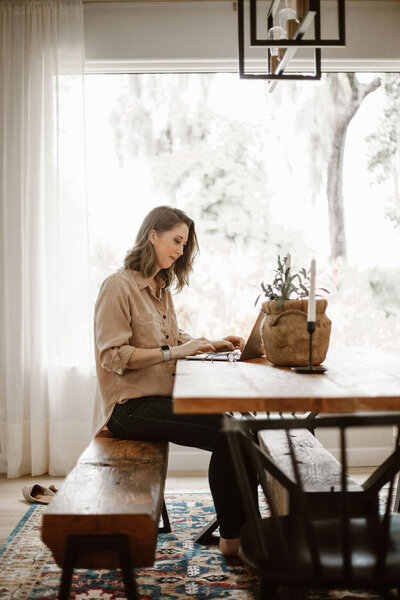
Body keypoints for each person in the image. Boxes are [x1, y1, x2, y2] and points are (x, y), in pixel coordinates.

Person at [93, 205, 258, 558]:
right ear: (152, 235)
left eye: (185, 245)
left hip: (157, 400)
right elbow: (115, 356)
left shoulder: (161, 286)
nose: (181, 251)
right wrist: (177, 352)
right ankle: (236, 539)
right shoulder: (117, 287)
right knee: (232, 434)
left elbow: (167, 335)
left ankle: (249, 532)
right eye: (176, 241)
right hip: (129, 408)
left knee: (242, 430)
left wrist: (207, 343)